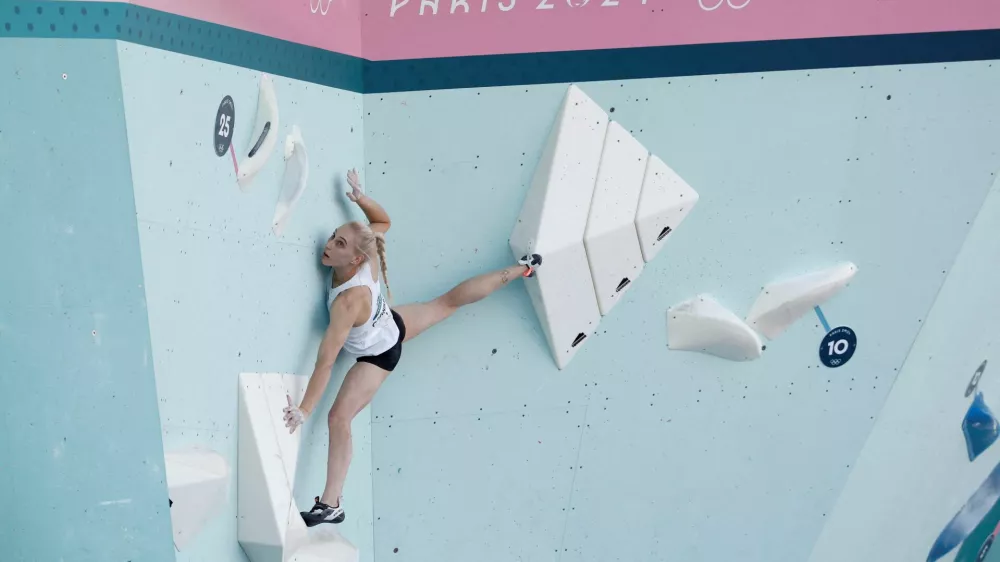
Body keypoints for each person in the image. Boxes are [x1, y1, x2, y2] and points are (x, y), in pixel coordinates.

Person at [282, 169, 543, 527]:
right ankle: (524, 269)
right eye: (333, 237)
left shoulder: (347, 303)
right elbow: (382, 221)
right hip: (392, 323)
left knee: (338, 418)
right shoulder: (368, 251)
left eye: (340, 244)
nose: (329, 245)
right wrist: (361, 199)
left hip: (378, 355)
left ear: (356, 259)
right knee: (447, 302)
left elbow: (325, 362)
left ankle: (331, 505)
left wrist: (304, 409)